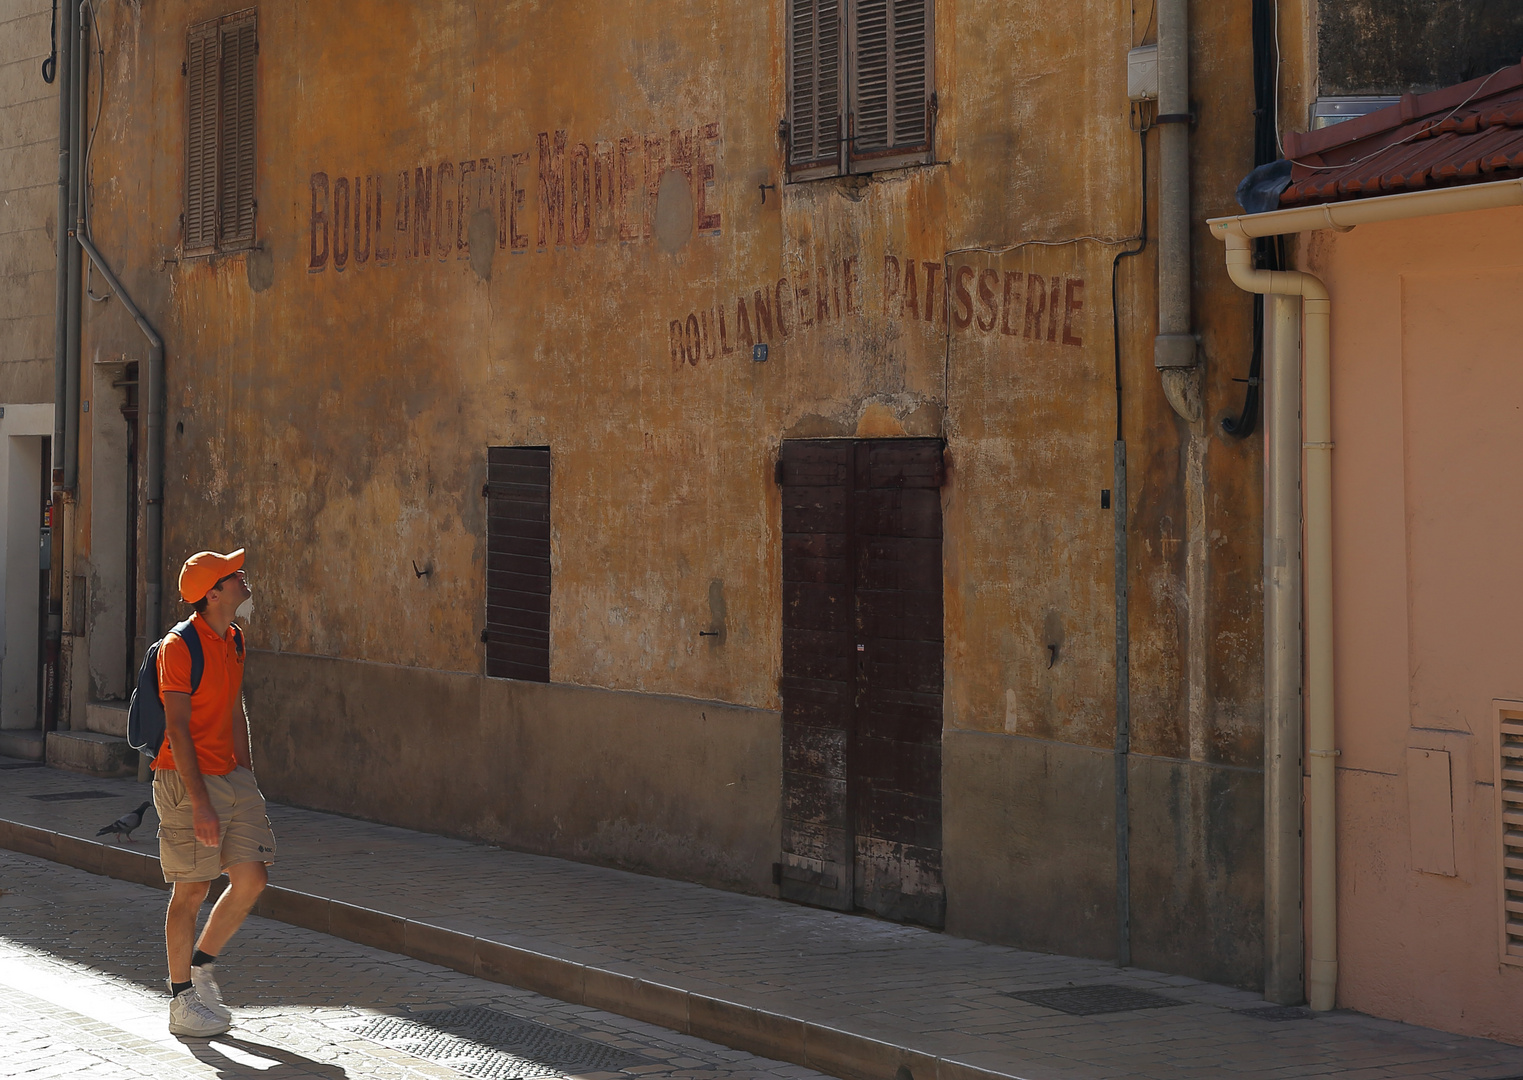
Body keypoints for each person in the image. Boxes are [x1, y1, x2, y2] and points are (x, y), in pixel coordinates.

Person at [153, 548, 276, 1038]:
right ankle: (181, 1000)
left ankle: (201, 969)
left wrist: (245, 773)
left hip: (230, 775)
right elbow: (178, 730)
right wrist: (200, 800)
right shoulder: (179, 647)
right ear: (213, 592)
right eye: (232, 574)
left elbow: (231, 707)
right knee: (192, 890)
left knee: (252, 879)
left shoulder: (234, 638)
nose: (242, 575)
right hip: (186, 780)